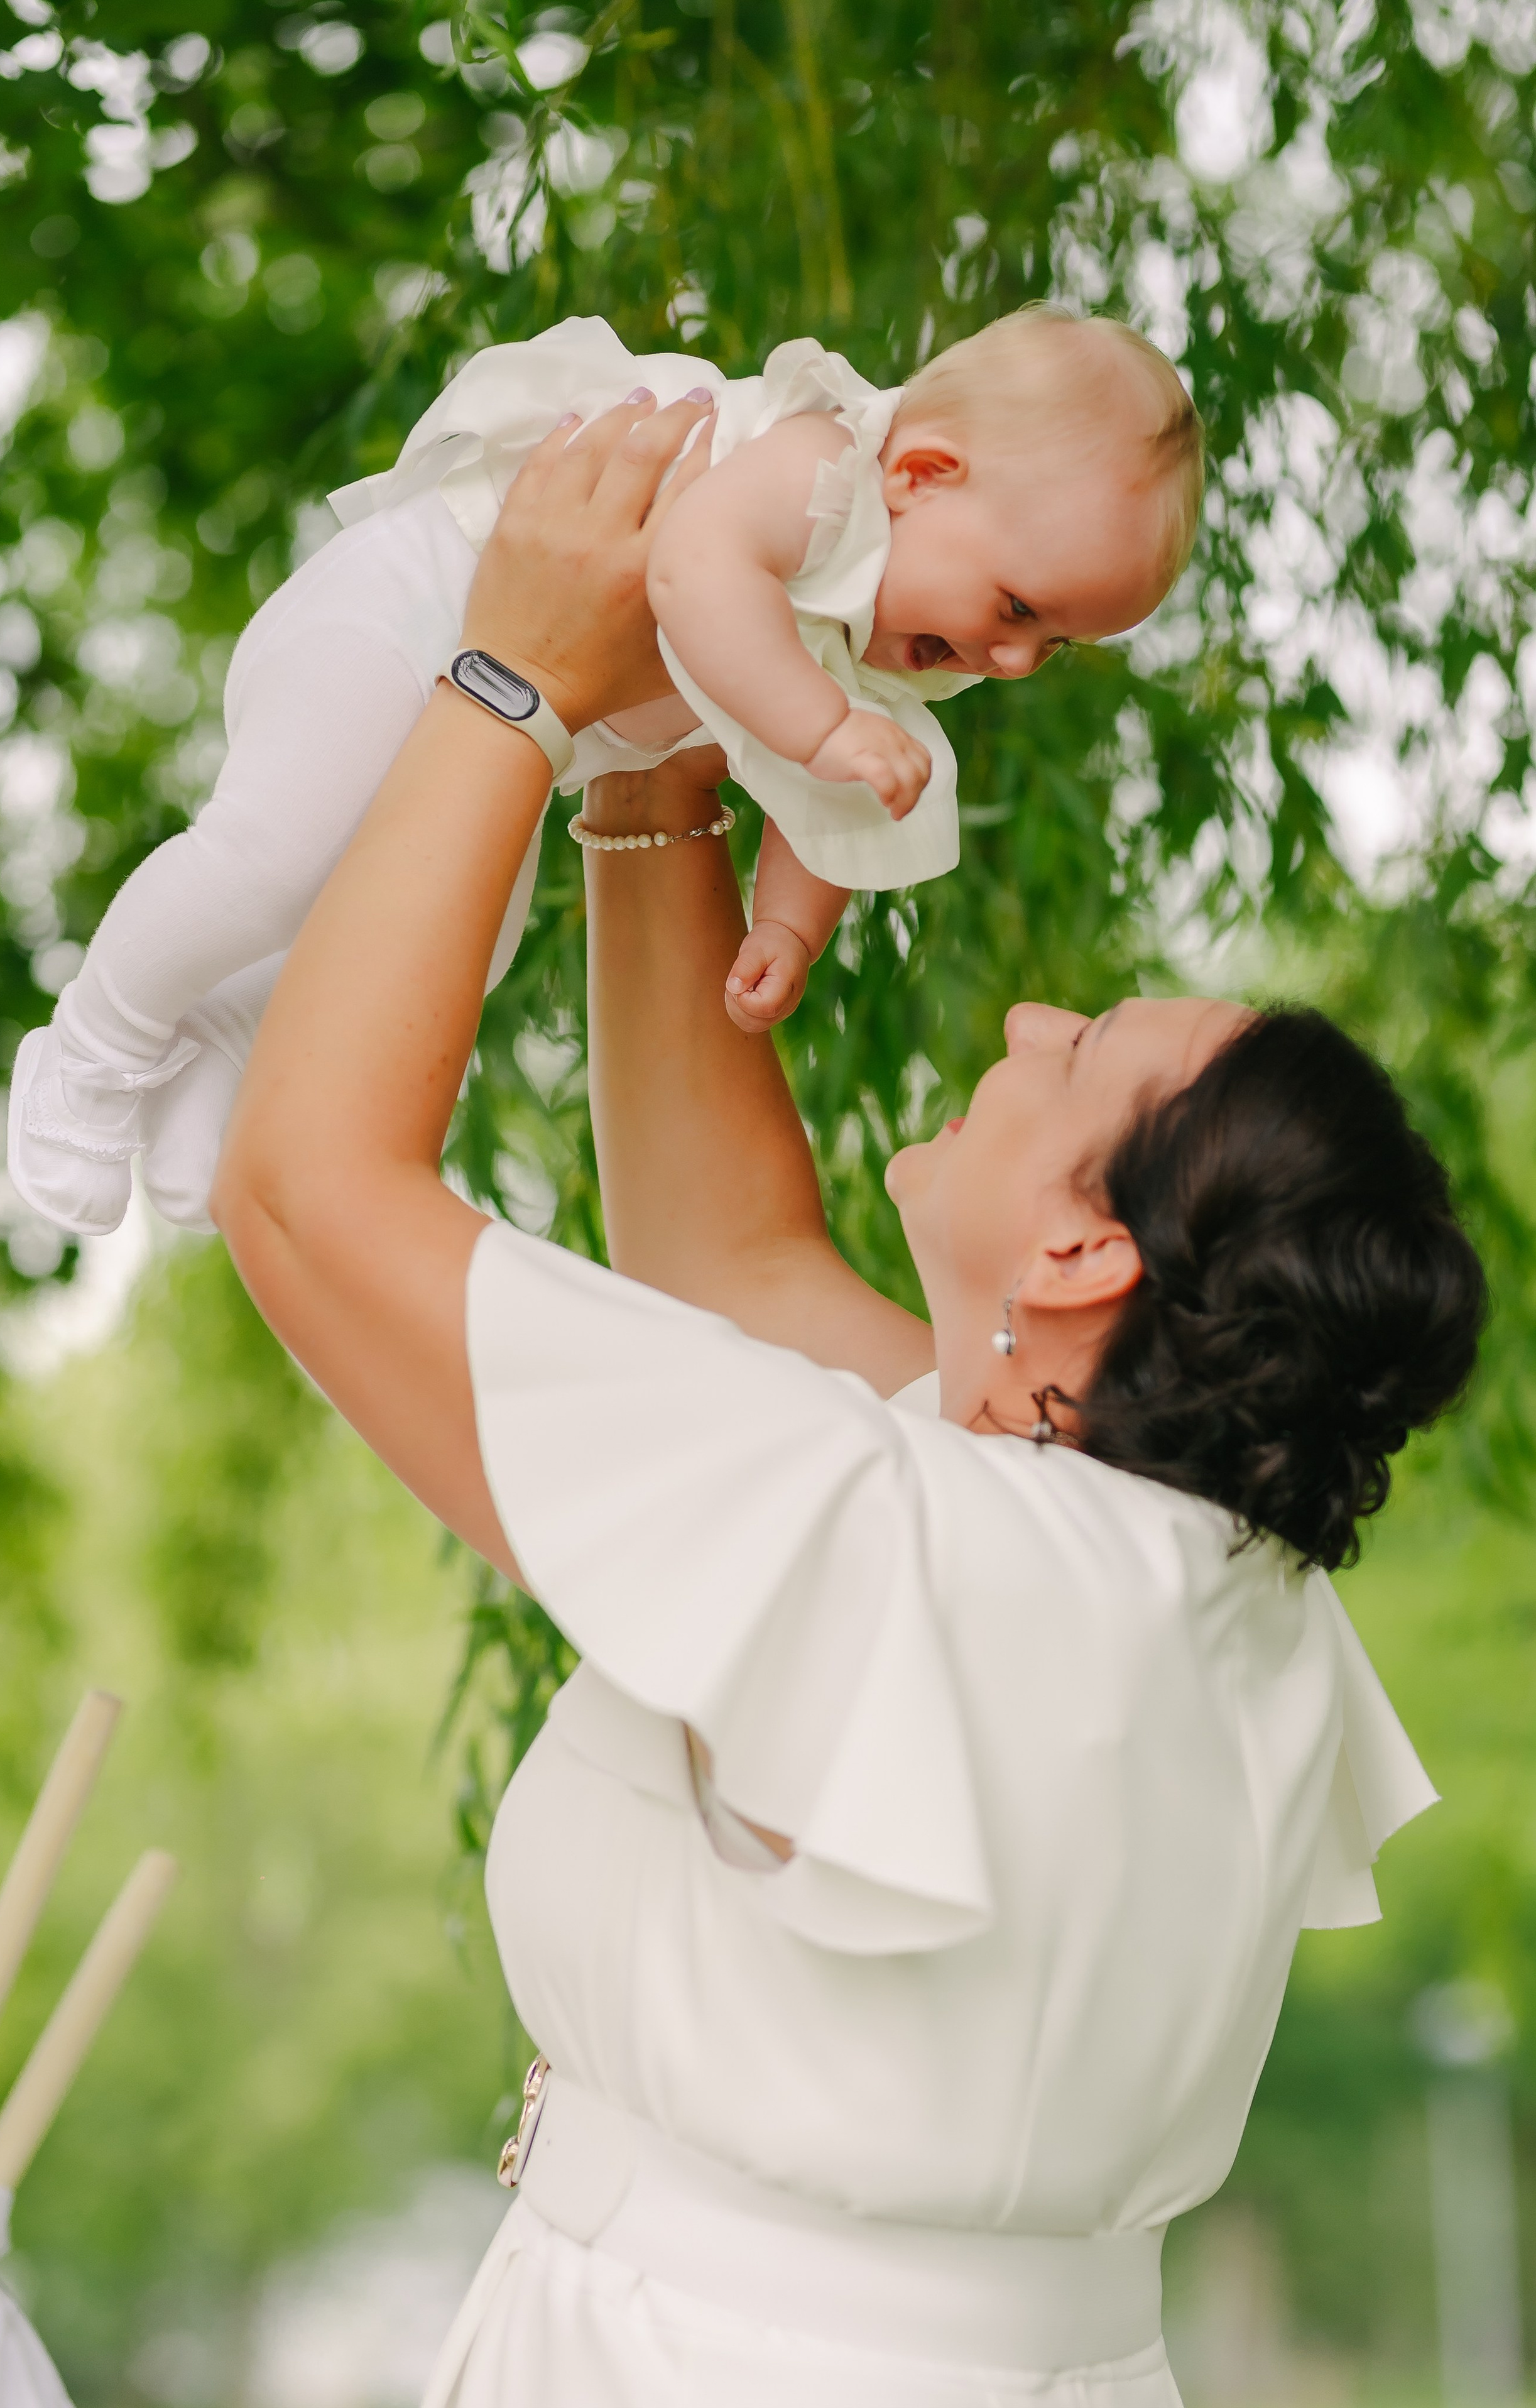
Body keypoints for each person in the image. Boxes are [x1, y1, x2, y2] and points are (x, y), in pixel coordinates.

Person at [211, 393, 1485, 2408]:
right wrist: (653, 772)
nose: (1031, 1020)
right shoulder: (1196, 1579)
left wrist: (511, 681)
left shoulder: (914, 1545)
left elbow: (301, 1191)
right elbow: (732, 1270)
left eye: (1082, 1059)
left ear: (1085, 1260)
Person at [8, 306, 1199, 1243]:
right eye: (1016, 607)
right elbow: (694, 572)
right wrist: (825, 726)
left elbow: (837, 798)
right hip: (419, 604)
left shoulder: (897, 637)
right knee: (273, 861)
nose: (1012, 659)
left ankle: (217, 1043)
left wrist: (785, 925)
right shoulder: (823, 467)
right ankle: (91, 1046)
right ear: (925, 475)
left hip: (519, 723)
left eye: (1054, 644)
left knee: (445, 948)